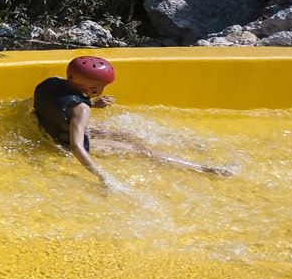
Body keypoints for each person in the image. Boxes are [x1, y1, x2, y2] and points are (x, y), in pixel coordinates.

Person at [33, 56, 231, 189]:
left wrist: (91, 103)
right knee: (140, 150)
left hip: (52, 128)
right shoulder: (81, 110)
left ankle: (190, 148)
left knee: (126, 135)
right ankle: (204, 169)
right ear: (91, 86)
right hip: (63, 142)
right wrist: (103, 176)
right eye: (101, 86)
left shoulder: (50, 82)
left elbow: (59, 105)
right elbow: (77, 147)